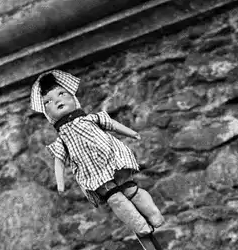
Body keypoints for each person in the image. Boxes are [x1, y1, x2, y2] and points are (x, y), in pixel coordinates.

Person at [30, 69, 165, 236]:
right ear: (47, 114)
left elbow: (112, 125)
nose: (57, 100)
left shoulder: (91, 119)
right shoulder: (62, 140)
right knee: (115, 199)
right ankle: (140, 226)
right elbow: (59, 161)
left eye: (61, 94)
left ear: (73, 98)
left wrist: (132, 133)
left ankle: (153, 215)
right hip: (93, 173)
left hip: (113, 161)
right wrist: (60, 183)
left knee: (130, 190)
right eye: (48, 102)